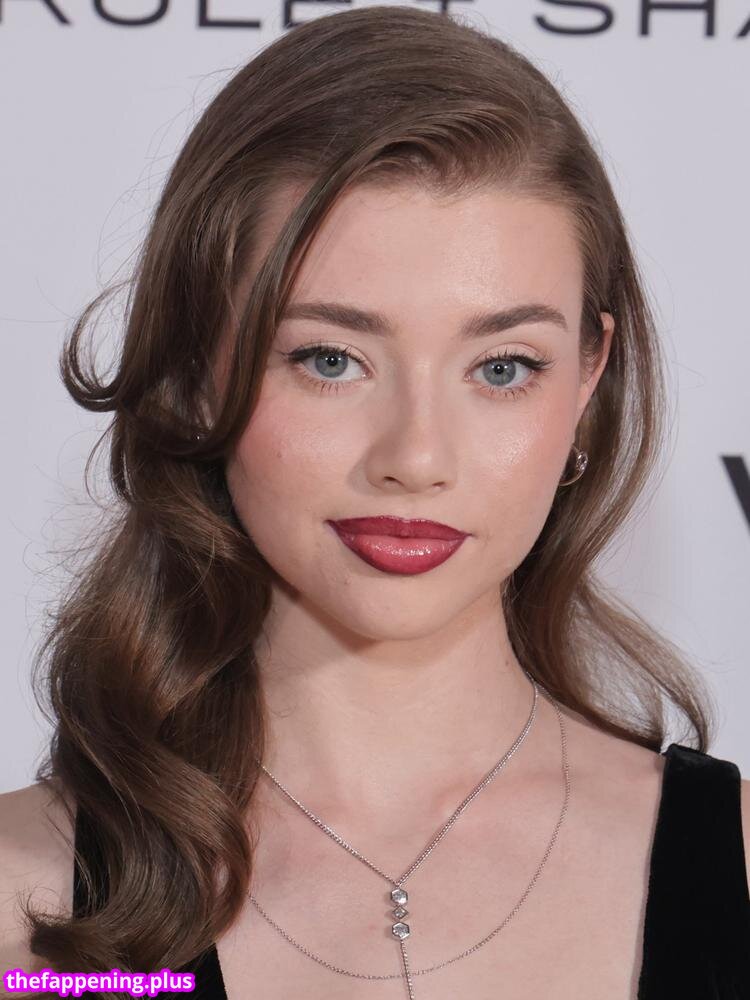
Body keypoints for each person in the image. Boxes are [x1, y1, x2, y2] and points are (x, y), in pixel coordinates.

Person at [1, 5, 748, 999]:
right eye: (329, 358)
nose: (416, 457)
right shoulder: (19, 910)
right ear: (194, 368)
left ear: (588, 378)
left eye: (503, 366)